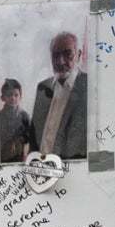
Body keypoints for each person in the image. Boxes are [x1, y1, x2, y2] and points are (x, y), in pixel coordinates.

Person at [32, 31, 89, 159]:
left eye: (67, 53)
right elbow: (34, 139)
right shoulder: (42, 88)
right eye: (55, 55)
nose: (61, 61)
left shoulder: (89, 87)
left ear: (78, 55)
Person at [0, 78, 34, 163]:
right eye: (9, 95)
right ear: (3, 97)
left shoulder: (24, 116)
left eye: (16, 95)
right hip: (2, 156)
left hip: (19, 156)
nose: (13, 98)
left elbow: (29, 138)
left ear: (20, 96)